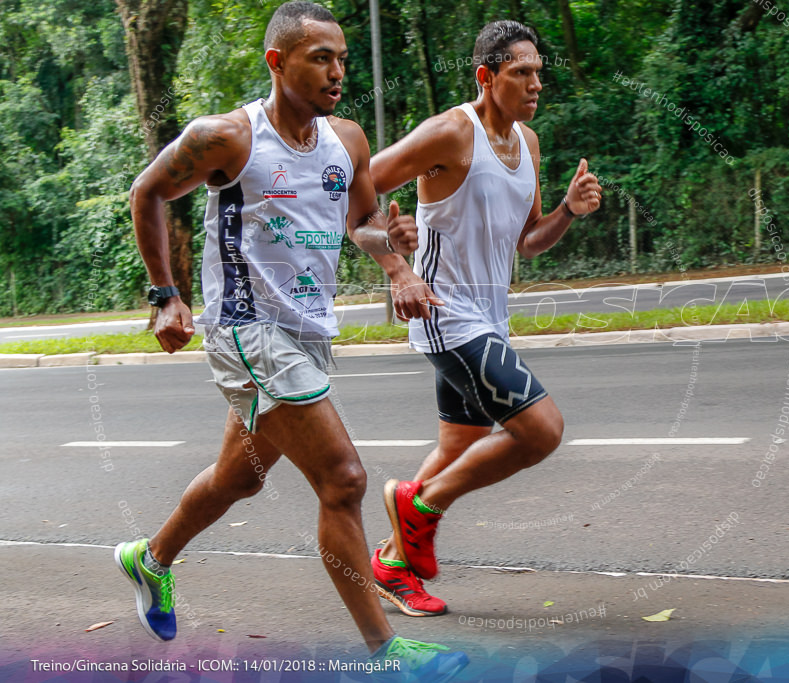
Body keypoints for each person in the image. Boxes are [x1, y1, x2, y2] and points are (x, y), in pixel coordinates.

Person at [115, 2, 467, 677]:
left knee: (238, 478)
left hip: (308, 330)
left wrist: (394, 260)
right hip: (247, 328)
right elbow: (149, 191)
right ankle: (386, 653)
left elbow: (362, 220)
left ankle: (149, 558)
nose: (338, 71)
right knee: (344, 477)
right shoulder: (228, 138)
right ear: (278, 62)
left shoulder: (348, 141)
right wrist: (165, 295)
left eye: (342, 58)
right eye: (321, 58)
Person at [366, 20, 602, 617]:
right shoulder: (449, 133)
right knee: (541, 430)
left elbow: (528, 241)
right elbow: (355, 191)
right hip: (443, 311)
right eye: (521, 72)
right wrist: (395, 257)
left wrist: (568, 213)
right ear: (486, 75)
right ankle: (419, 508)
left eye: (538, 73)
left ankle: (394, 563)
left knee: (459, 444)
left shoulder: (529, 143)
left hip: (488, 317)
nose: (534, 84)